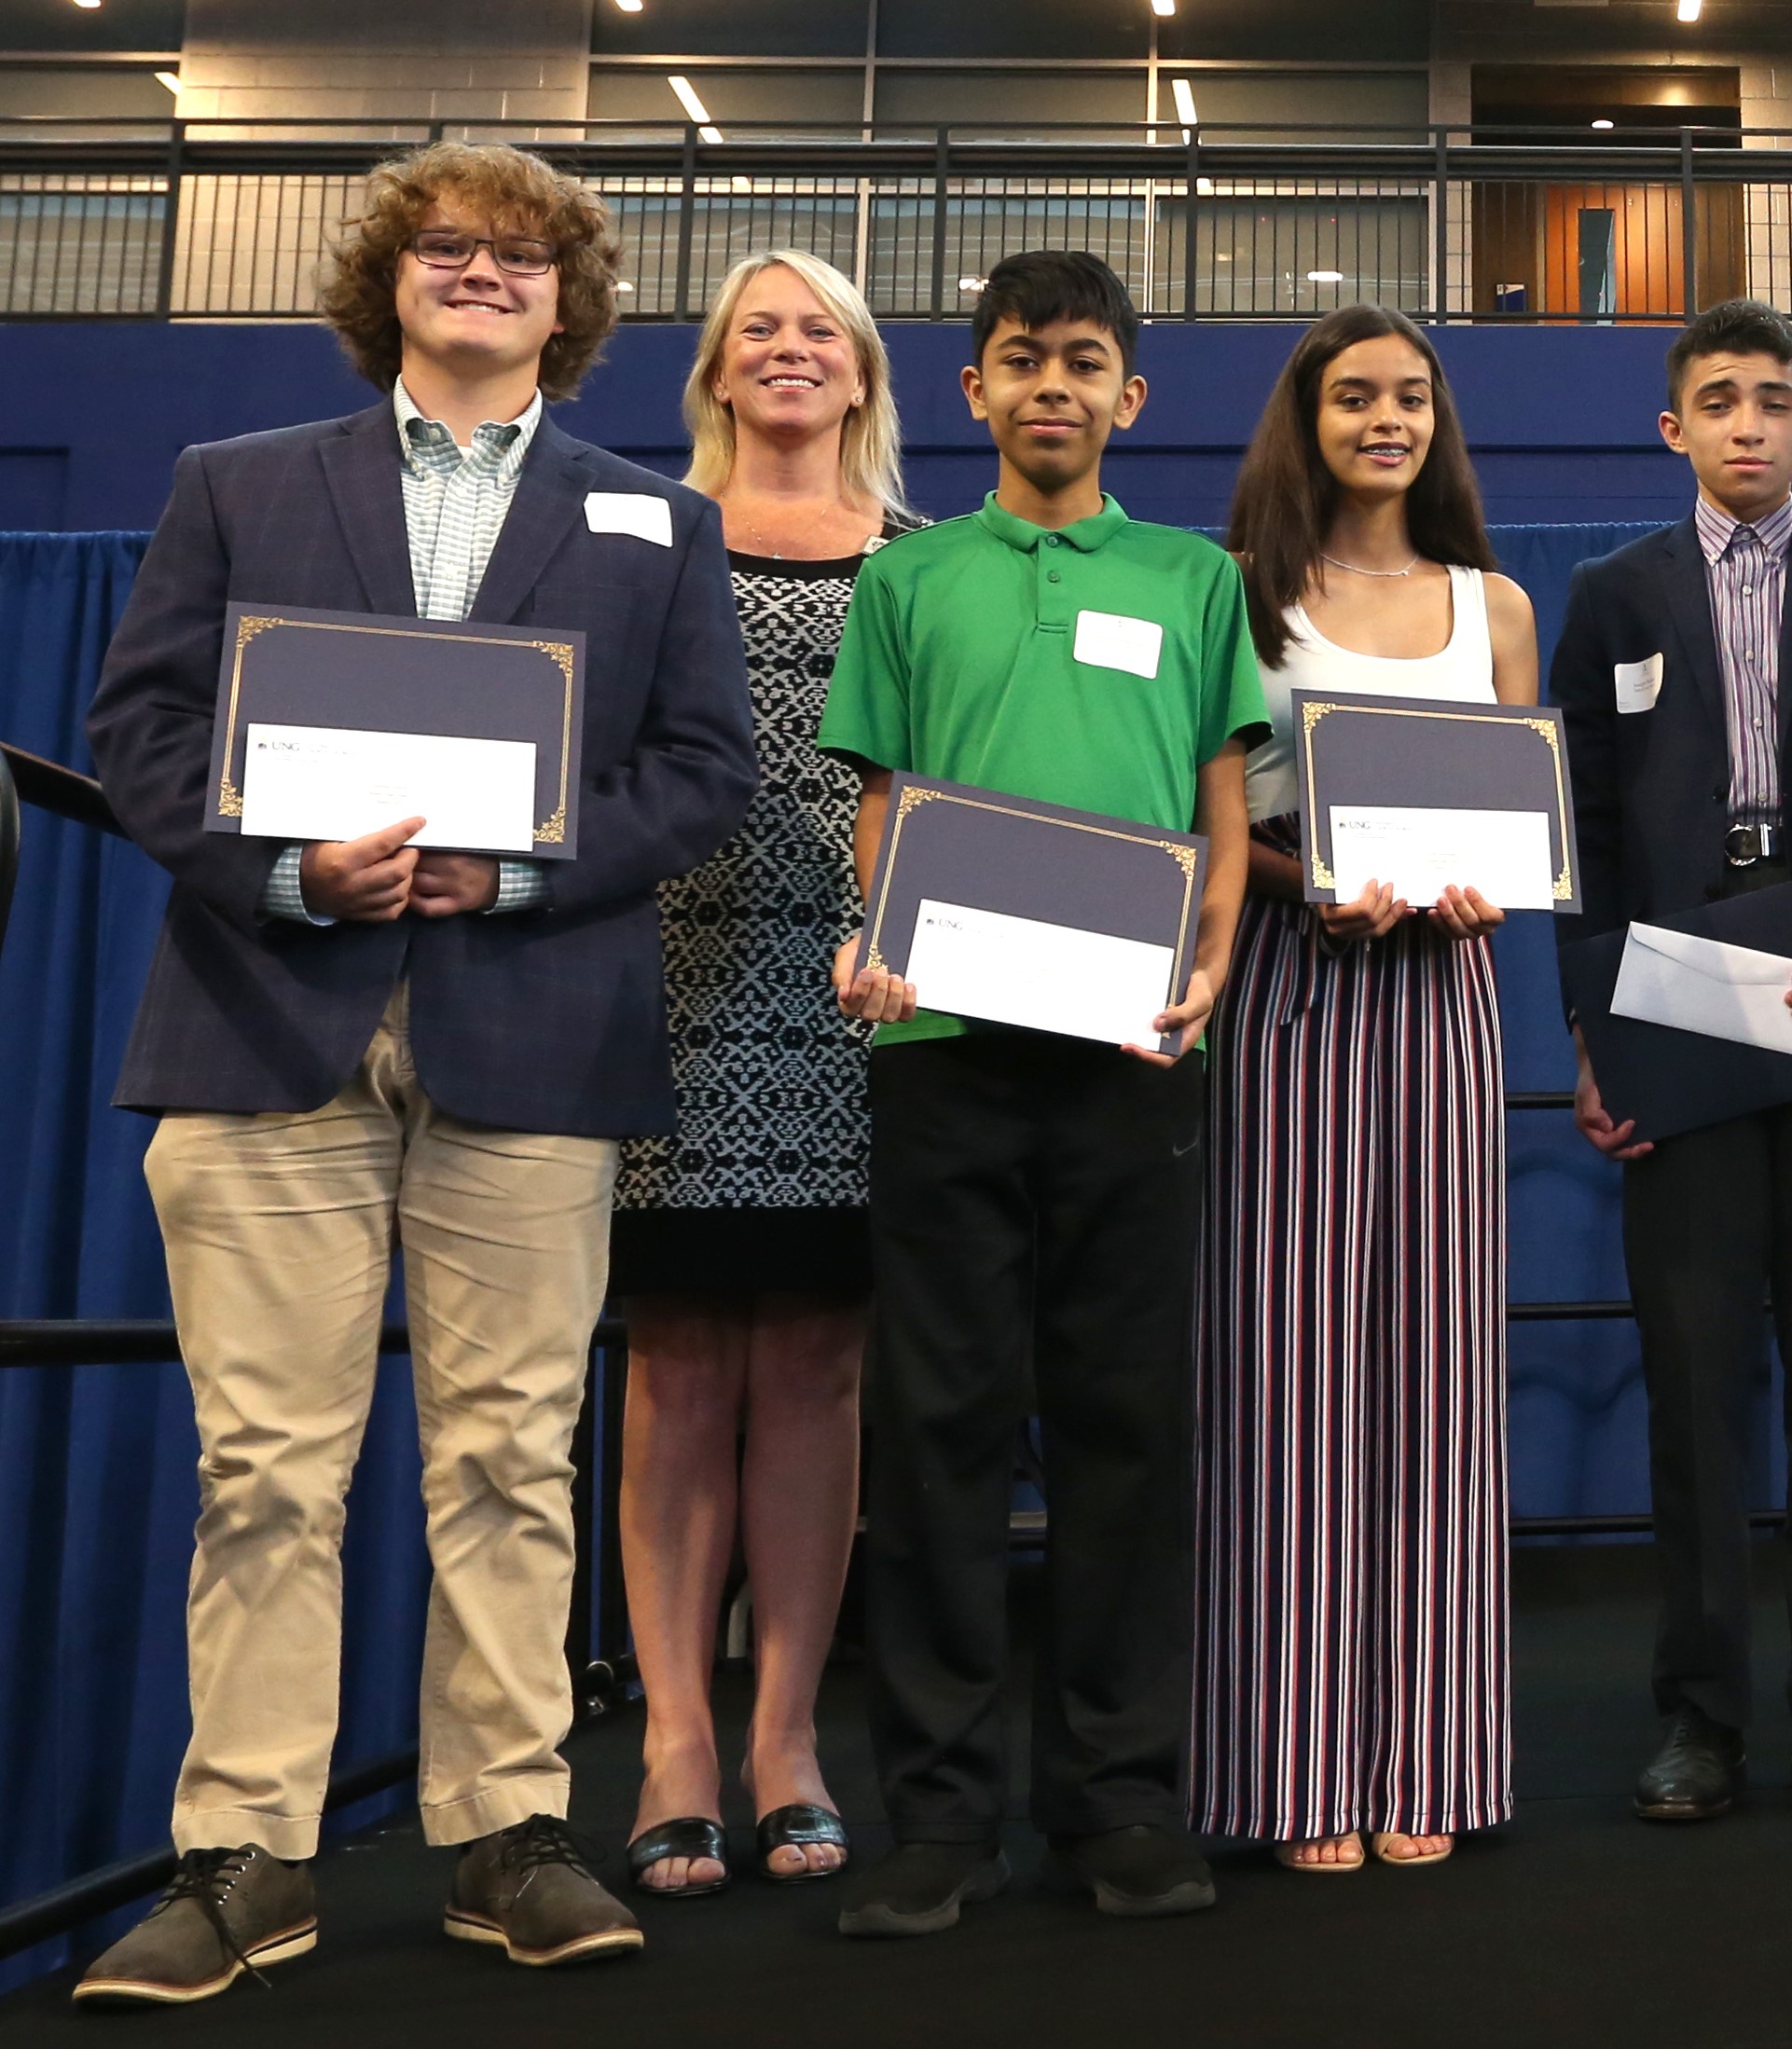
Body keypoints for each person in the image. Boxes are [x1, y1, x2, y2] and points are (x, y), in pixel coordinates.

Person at [72, 142, 754, 2005]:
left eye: (521, 255)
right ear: (389, 279)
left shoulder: (650, 520)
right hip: (264, 1014)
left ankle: (505, 1831)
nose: (480, 271)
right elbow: (135, 730)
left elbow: (701, 777)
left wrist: (514, 865)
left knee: (514, 1459)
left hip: (533, 1026)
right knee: (269, 1467)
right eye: (447, 246)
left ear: (571, 300)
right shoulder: (237, 485)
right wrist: (284, 867)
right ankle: (246, 1856)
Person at [818, 250, 1263, 1936]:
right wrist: (875, 940)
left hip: (1137, 1051)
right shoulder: (908, 580)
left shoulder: (1189, 578)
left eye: (1085, 361)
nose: (1053, 386)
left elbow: (1224, 810)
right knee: (933, 1434)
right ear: (973, 392)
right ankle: (936, 1818)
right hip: (943, 1053)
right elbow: (882, 800)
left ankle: (1121, 1799)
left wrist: (1211, 965)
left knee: (1126, 1426)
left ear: (1130, 395)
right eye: (1022, 360)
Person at [1551, 299, 1792, 1825]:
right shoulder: (1610, 592)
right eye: (1720, 400)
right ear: (1674, 428)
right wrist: (1594, 1033)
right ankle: (1700, 1717)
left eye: (1775, 400)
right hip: (1681, 1005)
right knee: (1696, 1386)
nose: (1749, 424)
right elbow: (1582, 833)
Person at [1186, 305, 1538, 1875]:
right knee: (1288, 1379)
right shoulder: (1239, 594)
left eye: (1409, 396)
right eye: (1353, 397)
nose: (1384, 419)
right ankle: (1294, 1758)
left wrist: (1482, 890)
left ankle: (1432, 1754)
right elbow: (1214, 826)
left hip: (1446, 1002)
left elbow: (1516, 827)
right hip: (1289, 994)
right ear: (1306, 418)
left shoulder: (1497, 603)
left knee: (1438, 1386)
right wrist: (1295, 885)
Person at [613, 249, 922, 1898]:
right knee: (675, 1360)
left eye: (822, 332)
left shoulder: (933, 562)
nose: (791, 352)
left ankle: (785, 1732)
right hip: (664, 992)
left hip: (866, 1009)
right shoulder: (630, 539)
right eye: (760, 332)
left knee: (815, 1361)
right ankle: (674, 1732)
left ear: (863, 376)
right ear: (718, 375)